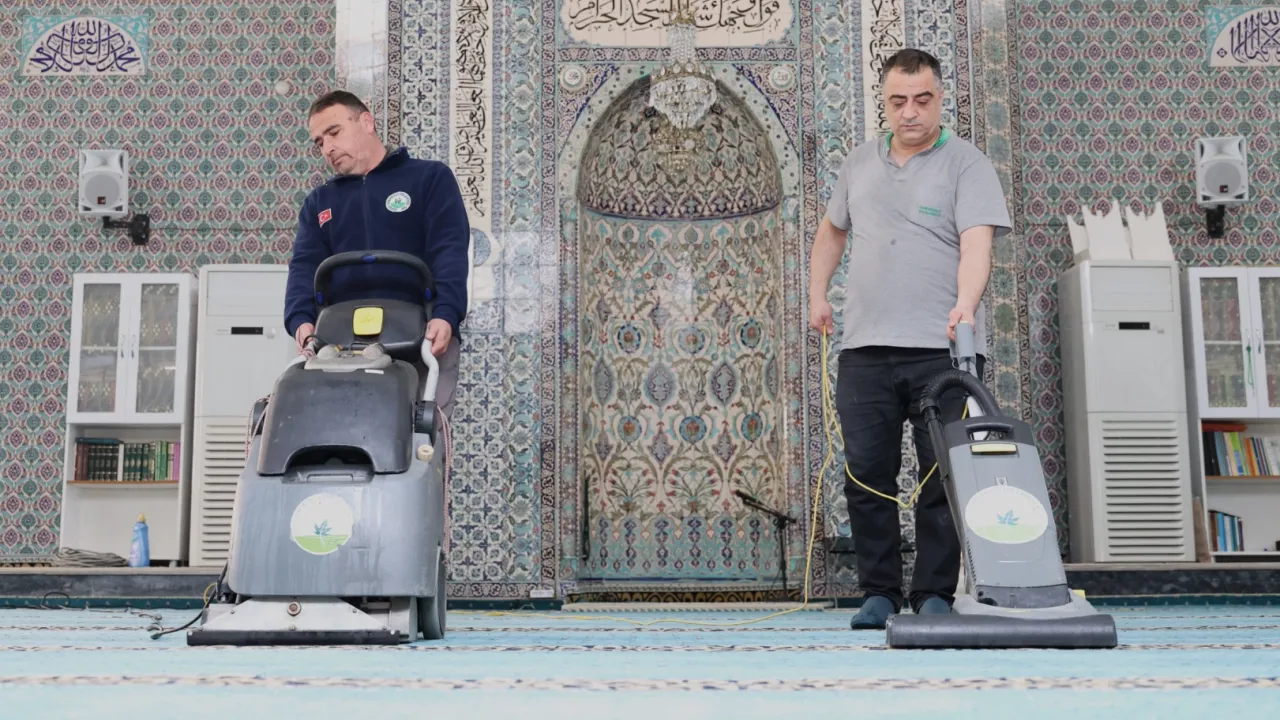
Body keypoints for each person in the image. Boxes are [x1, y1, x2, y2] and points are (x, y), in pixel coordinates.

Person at [807, 49, 1012, 629]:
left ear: (940, 98)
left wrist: (965, 306)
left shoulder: (968, 164)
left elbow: (977, 244)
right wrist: (817, 293)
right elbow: (831, 232)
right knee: (865, 473)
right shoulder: (859, 163)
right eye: (898, 101)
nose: (910, 112)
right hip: (864, 348)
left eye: (922, 100)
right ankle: (878, 592)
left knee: (941, 475)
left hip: (940, 349)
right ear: (885, 101)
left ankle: (932, 594)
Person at [283, 90, 469, 421]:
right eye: (319, 142)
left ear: (366, 122)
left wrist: (446, 314)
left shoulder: (429, 179)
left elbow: (449, 249)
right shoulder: (319, 202)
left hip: (422, 334)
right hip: (342, 344)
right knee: (345, 436)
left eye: (334, 132)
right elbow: (304, 267)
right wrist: (301, 321)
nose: (327, 148)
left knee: (422, 437)